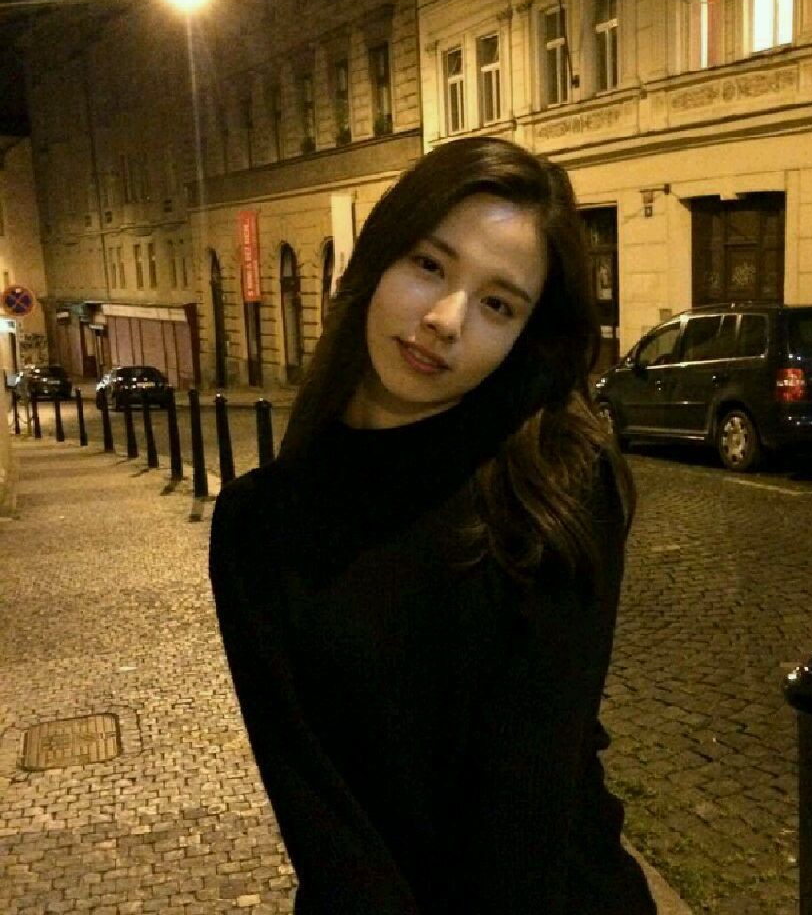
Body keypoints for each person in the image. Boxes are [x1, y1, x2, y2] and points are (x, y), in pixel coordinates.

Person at [209, 136, 657, 915]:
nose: (446, 320)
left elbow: (531, 797)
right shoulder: (259, 527)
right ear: (377, 257)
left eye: (497, 304)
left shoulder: (553, 486)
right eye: (429, 265)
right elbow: (318, 812)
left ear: (524, 335)